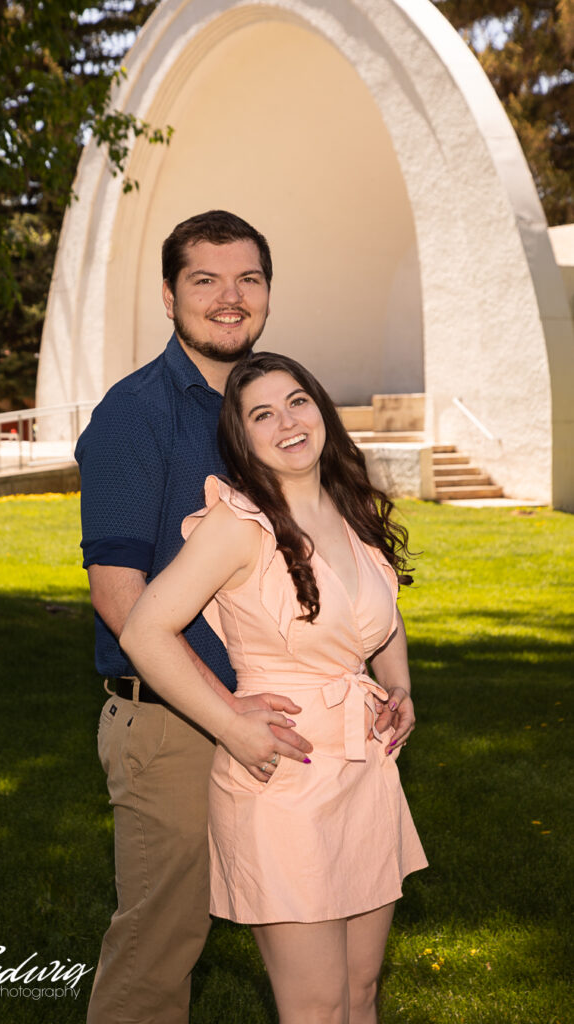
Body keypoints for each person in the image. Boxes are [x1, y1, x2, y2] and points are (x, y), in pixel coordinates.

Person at [121, 352, 428, 1024]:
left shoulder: (349, 507)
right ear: (242, 437)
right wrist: (230, 723)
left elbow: (383, 613)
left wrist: (396, 684)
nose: (285, 422)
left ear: (320, 409)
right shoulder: (238, 524)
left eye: (296, 401)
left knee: (361, 989)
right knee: (316, 1007)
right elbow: (144, 631)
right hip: (284, 780)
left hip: (365, 771)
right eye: (261, 414)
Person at [75, 211, 315, 1024]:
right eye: (205, 280)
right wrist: (226, 714)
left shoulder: (271, 409)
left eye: (247, 278)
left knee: (306, 923)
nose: (228, 297)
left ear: (268, 293)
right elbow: (119, 596)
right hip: (174, 723)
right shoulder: (133, 415)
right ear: (170, 295)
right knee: (159, 950)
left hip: (272, 707)